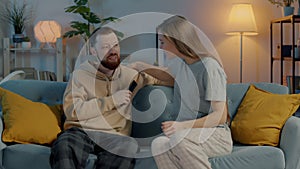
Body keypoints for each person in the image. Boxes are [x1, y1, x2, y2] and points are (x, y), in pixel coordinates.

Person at [49, 27, 172, 169]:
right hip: (81, 132)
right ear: (93, 51)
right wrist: (112, 101)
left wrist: (141, 66)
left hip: (115, 136)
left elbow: (171, 80)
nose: (113, 51)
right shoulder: (80, 75)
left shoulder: (131, 75)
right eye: (106, 47)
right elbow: (73, 111)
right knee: (63, 146)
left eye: (115, 45)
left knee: (129, 146)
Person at [132, 15, 232, 169]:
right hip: (187, 134)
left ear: (178, 41)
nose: (161, 48)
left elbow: (220, 116)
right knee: (159, 144)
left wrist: (182, 126)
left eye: (163, 42)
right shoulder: (182, 64)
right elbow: (165, 74)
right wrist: (140, 66)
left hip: (216, 135)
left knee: (178, 138)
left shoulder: (210, 66)